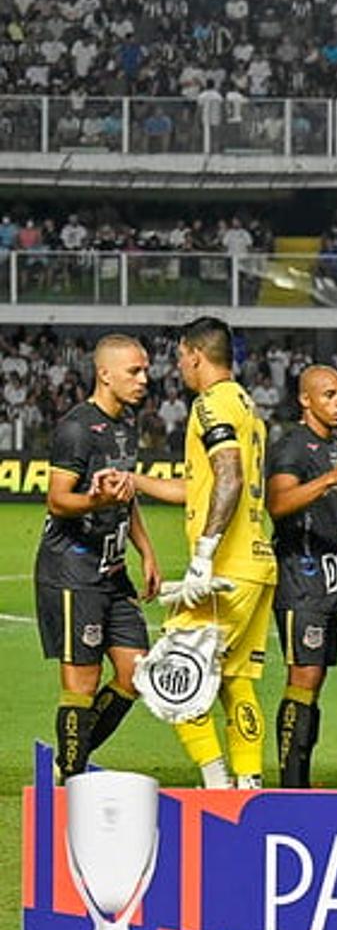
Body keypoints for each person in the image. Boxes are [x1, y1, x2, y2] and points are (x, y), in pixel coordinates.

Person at [141, 317, 281, 788]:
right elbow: (201, 486)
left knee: (170, 673)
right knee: (236, 681)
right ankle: (248, 784)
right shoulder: (246, 404)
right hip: (258, 564)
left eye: (181, 356)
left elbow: (229, 477)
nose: (178, 365)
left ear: (195, 354)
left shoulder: (209, 405)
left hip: (227, 570)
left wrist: (203, 556)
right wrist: (135, 481)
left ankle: (216, 783)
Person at [36, 334, 161, 781]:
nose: (144, 379)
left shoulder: (126, 426)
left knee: (136, 672)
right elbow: (57, 500)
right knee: (81, 684)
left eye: (145, 370)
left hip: (112, 572)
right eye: (134, 371)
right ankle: (71, 782)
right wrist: (96, 501)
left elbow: (126, 497)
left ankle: (72, 758)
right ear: (104, 373)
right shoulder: (75, 429)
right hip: (72, 570)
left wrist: (145, 549)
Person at [265, 365, 337, 787]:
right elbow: (278, 504)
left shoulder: (334, 444)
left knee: (316, 681)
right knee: (303, 678)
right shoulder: (292, 447)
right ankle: (291, 784)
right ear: (305, 400)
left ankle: (302, 778)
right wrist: (332, 477)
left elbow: (330, 515)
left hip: (330, 576)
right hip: (300, 576)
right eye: (329, 395)